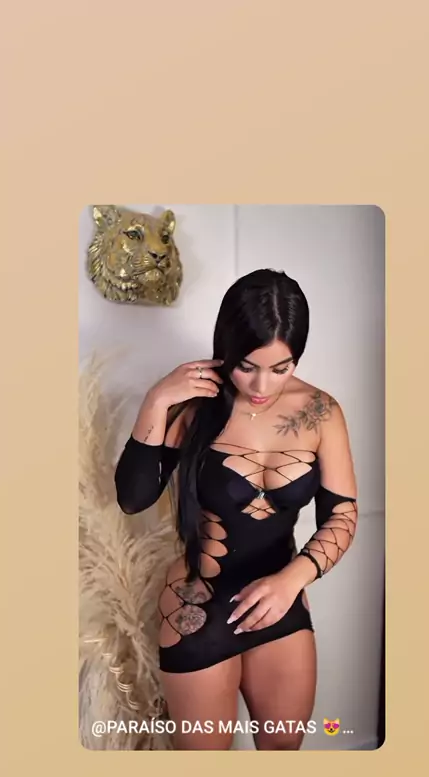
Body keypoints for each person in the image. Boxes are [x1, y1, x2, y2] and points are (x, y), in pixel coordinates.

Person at [114, 269, 358, 750]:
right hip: (196, 606)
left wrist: (292, 580)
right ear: (226, 347)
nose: (262, 384)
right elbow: (132, 498)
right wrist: (157, 400)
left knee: (283, 753)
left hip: (278, 602)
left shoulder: (321, 412)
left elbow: (342, 515)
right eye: (247, 366)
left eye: (281, 368)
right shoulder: (196, 407)